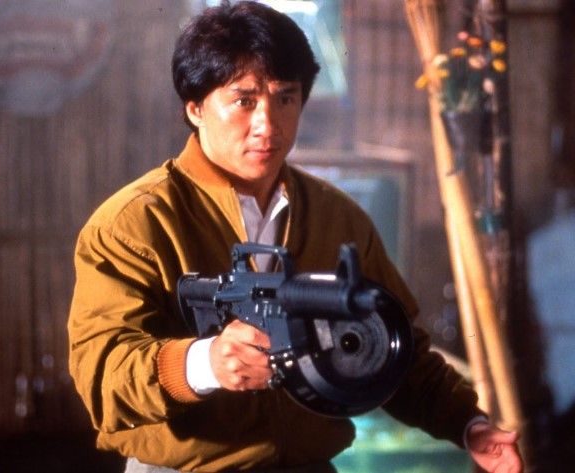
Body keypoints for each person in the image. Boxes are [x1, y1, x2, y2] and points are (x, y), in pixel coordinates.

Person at [68, 1, 523, 472]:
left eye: (285, 98)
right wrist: (202, 363)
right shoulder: (132, 224)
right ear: (196, 108)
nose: (268, 124)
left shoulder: (337, 217)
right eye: (244, 101)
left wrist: (470, 425)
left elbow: (395, 350)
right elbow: (102, 377)